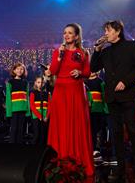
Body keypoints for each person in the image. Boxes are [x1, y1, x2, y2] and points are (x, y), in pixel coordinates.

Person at [90, 20, 135, 182]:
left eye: (108, 30)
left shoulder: (132, 46)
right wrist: (96, 50)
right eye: (105, 31)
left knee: (132, 131)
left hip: (127, 95)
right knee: (116, 134)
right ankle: (119, 169)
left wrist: (126, 81)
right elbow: (93, 68)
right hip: (111, 97)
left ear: (117, 31)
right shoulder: (106, 51)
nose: (105, 33)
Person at [47, 23, 94, 176]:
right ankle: (59, 161)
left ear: (76, 36)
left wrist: (79, 72)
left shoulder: (83, 52)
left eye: (69, 33)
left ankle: (78, 160)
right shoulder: (57, 52)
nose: (66, 35)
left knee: (76, 123)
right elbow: (53, 71)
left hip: (76, 90)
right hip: (60, 90)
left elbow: (87, 72)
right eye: (64, 33)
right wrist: (60, 56)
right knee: (61, 124)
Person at [85, 72, 109, 161]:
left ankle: (97, 149)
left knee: (98, 130)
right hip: (88, 111)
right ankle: (91, 148)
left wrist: (105, 110)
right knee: (90, 131)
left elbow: (104, 96)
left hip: (98, 110)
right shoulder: (84, 82)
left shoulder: (101, 82)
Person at [5, 63, 30, 144]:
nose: (20, 70)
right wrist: (8, 112)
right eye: (18, 69)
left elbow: (27, 98)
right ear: (14, 70)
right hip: (14, 109)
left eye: (22, 69)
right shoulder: (10, 82)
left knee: (21, 129)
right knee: (14, 129)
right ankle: (12, 147)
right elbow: (8, 98)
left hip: (23, 109)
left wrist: (28, 111)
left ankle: (19, 147)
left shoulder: (26, 83)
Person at [30, 76, 50, 145]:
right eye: (38, 82)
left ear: (44, 84)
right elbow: (32, 107)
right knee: (37, 134)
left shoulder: (47, 94)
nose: (40, 84)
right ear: (35, 83)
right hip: (36, 117)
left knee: (43, 135)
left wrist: (46, 117)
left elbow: (49, 106)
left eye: (42, 83)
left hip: (44, 117)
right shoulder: (33, 93)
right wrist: (40, 116)